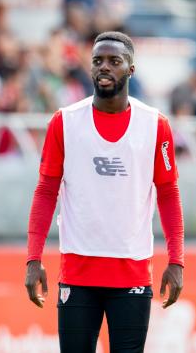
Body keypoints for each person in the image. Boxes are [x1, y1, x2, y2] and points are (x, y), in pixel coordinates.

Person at [23, 31, 185, 353]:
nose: (104, 67)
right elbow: (45, 192)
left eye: (114, 61)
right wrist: (33, 258)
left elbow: (168, 193)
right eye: (97, 61)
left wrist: (176, 260)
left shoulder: (155, 125)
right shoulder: (65, 122)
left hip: (133, 273)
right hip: (78, 273)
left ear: (131, 69)